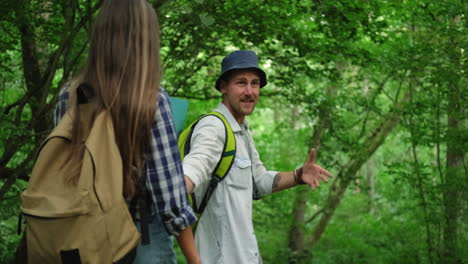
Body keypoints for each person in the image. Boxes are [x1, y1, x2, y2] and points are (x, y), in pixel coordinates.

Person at [54, 0, 200, 263]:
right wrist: (195, 259)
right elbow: (170, 199)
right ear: (145, 42)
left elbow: (62, 169)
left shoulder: (69, 94)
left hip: (79, 235)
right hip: (140, 237)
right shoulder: (151, 100)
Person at [182, 50, 333, 263]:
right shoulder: (213, 127)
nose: (250, 91)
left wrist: (298, 175)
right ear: (223, 87)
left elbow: (259, 180)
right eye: (241, 83)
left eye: (255, 84)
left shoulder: (242, 132)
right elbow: (192, 170)